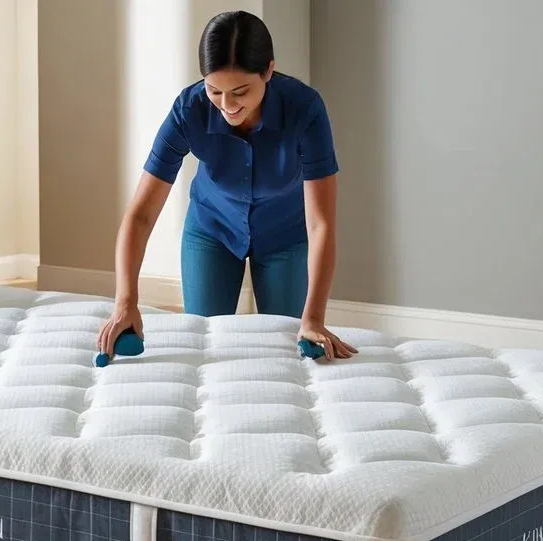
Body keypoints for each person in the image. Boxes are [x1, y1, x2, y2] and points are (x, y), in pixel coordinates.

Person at [97, 10, 358, 362]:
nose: (227, 105)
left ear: (268, 70)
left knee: (283, 344)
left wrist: (314, 319)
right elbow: (141, 214)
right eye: (214, 90)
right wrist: (125, 303)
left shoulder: (305, 109)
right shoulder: (188, 109)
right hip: (211, 231)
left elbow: (321, 223)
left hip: (286, 235)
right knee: (205, 344)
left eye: (240, 91)